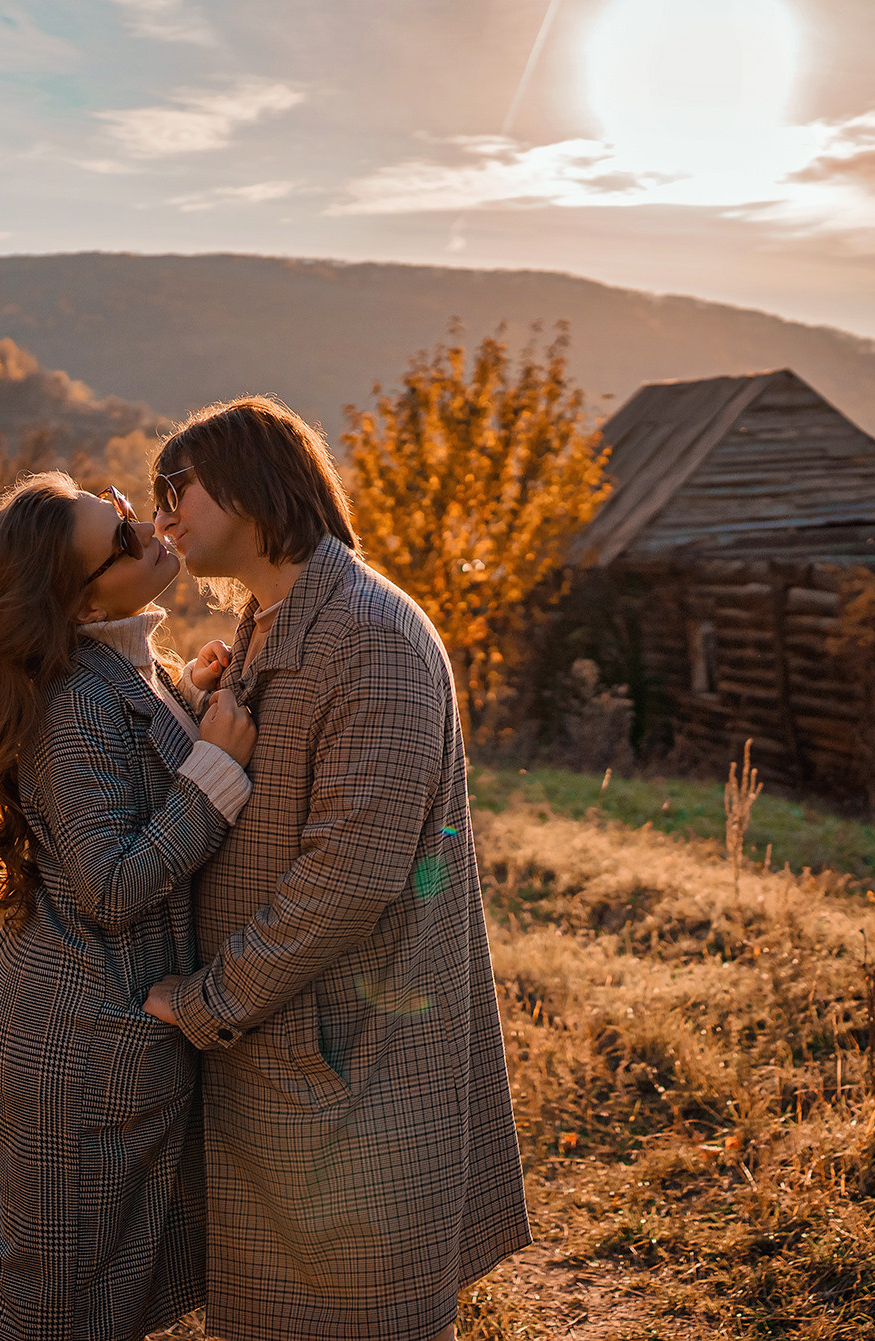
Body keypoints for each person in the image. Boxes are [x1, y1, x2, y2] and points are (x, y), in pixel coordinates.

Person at [141, 397, 531, 1341]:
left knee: (355, 1313)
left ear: (248, 483)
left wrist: (207, 1000)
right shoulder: (272, 624)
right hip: (288, 1051)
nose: (162, 516)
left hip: (354, 1055)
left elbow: (350, 875)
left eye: (176, 487)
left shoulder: (369, 634)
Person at [0, 473, 255, 1341]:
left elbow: (122, 775)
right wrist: (213, 772)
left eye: (124, 509)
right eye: (121, 539)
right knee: (54, 1297)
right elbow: (110, 883)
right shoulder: (74, 703)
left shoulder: (114, 664)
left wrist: (186, 700)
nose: (148, 529)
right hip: (79, 1036)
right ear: (79, 601)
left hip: (103, 1024)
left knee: (98, 1285)